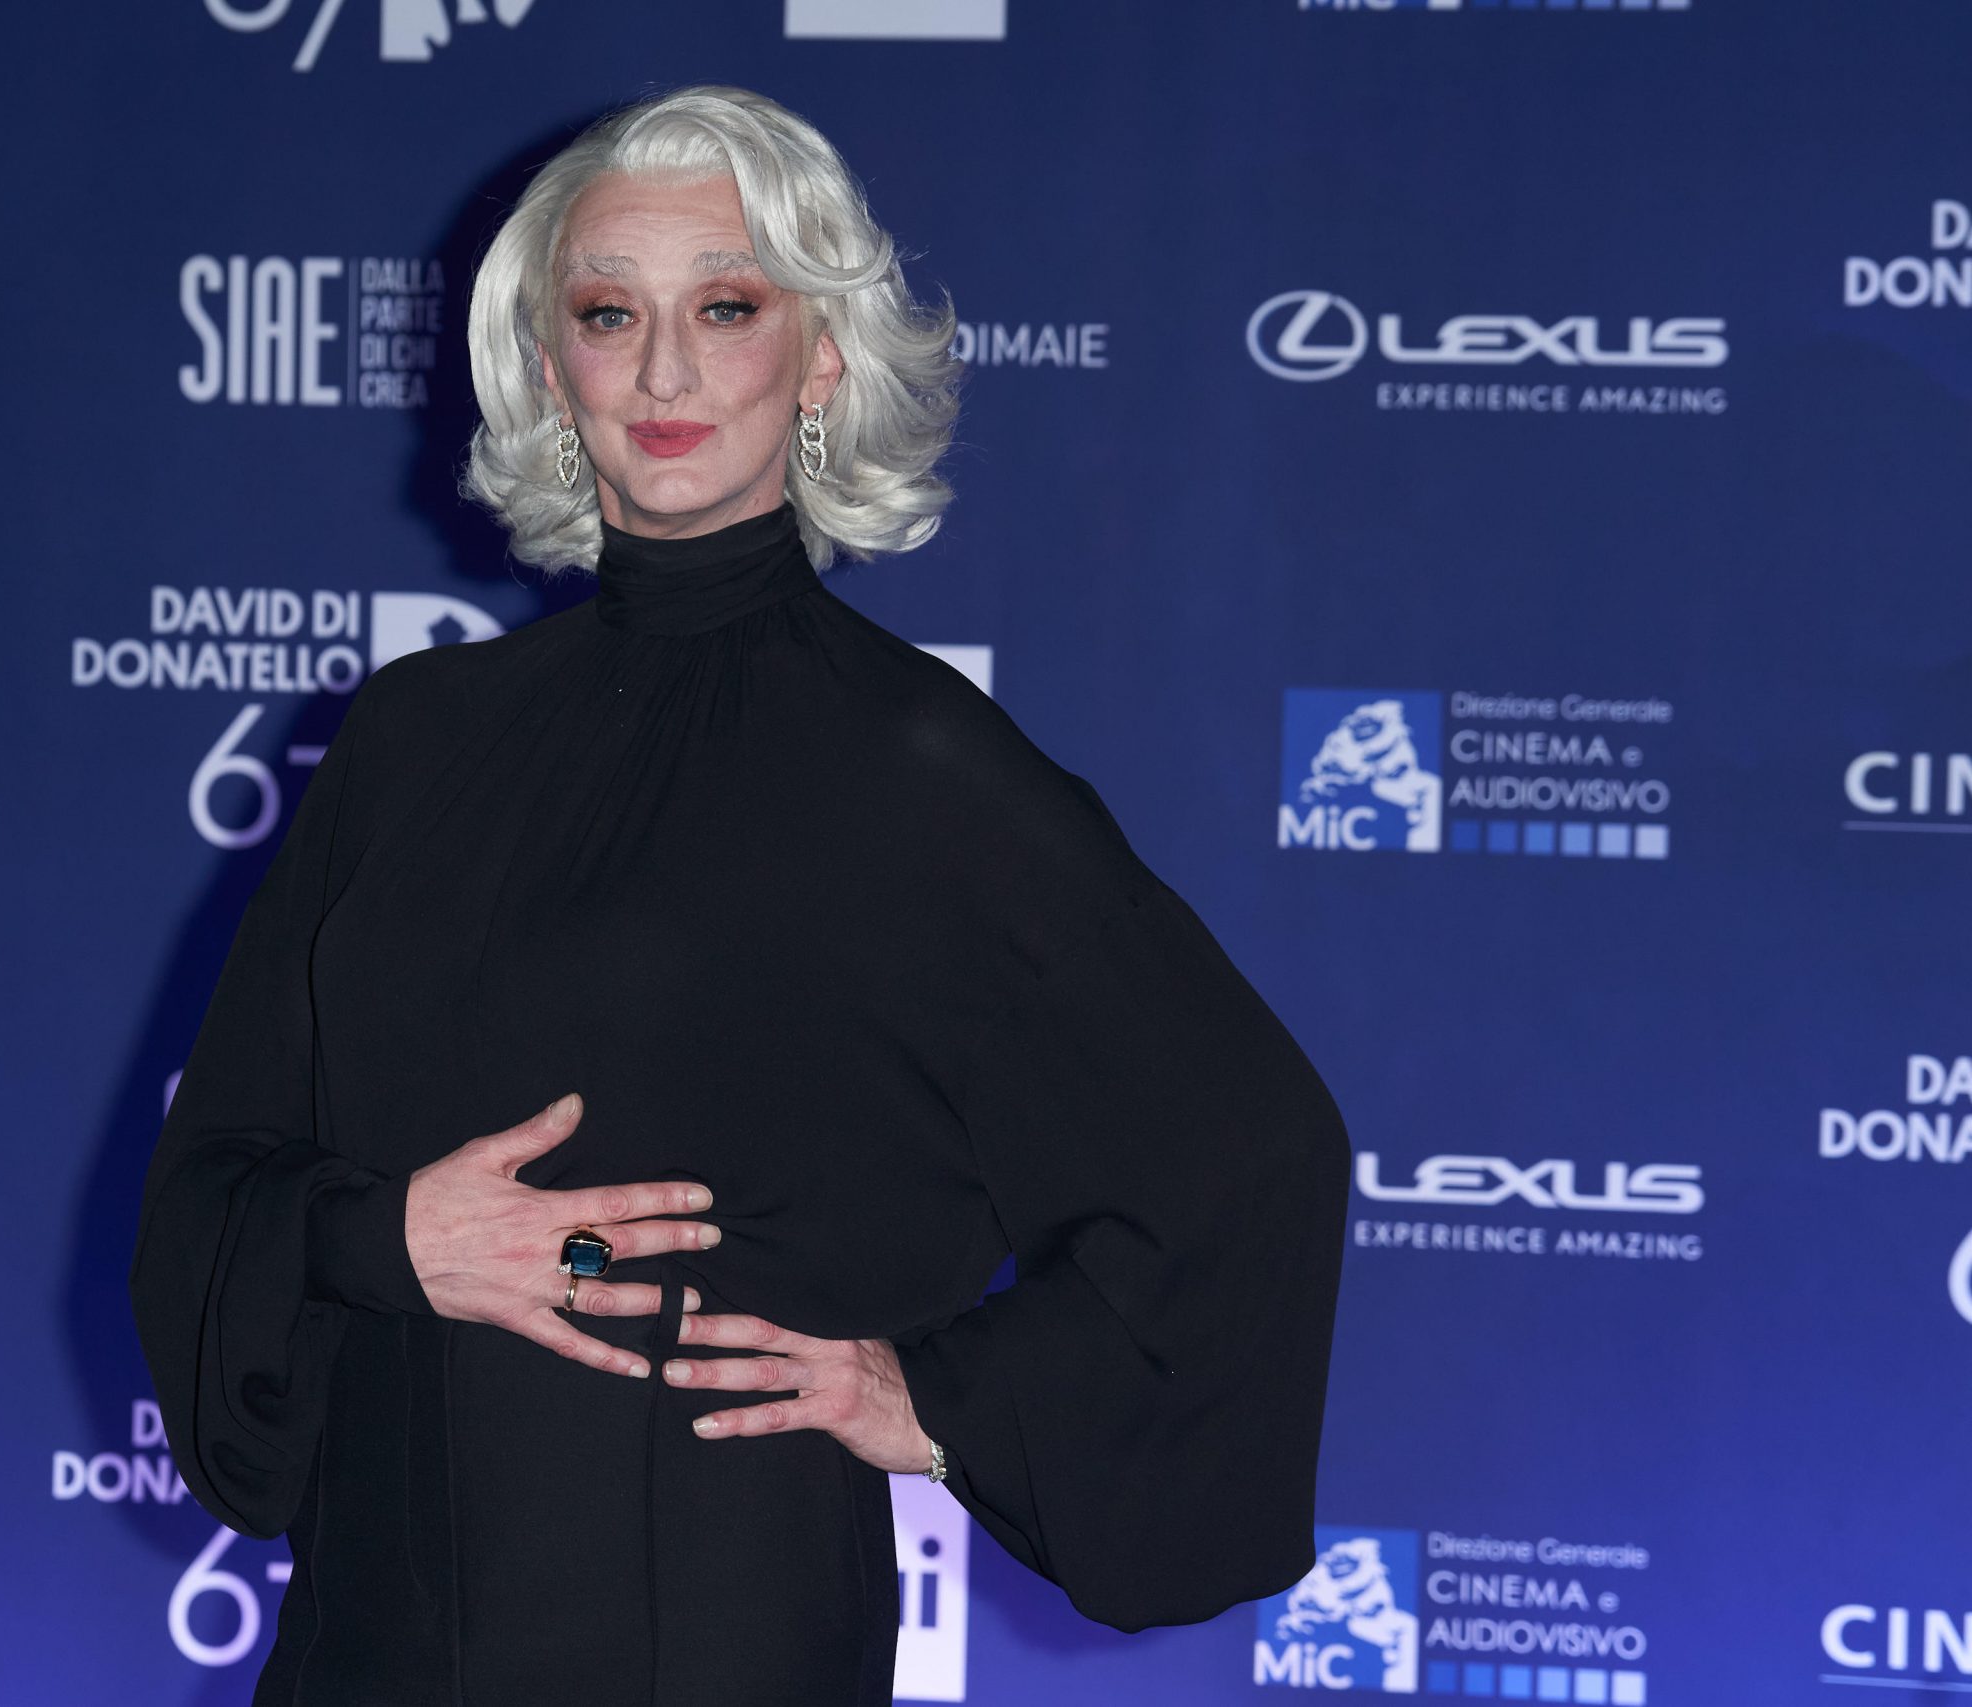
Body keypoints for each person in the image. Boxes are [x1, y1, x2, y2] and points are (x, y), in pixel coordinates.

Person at [129, 83, 1351, 1707]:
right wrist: (392, 1237)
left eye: (726, 308)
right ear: (548, 364)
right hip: (372, 1626)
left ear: (821, 356)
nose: (663, 371)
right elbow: (214, 1177)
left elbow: (1246, 1161)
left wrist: (936, 1401)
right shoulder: (413, 741)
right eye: (608, 313)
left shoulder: (920, 765)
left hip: (716, 1613)